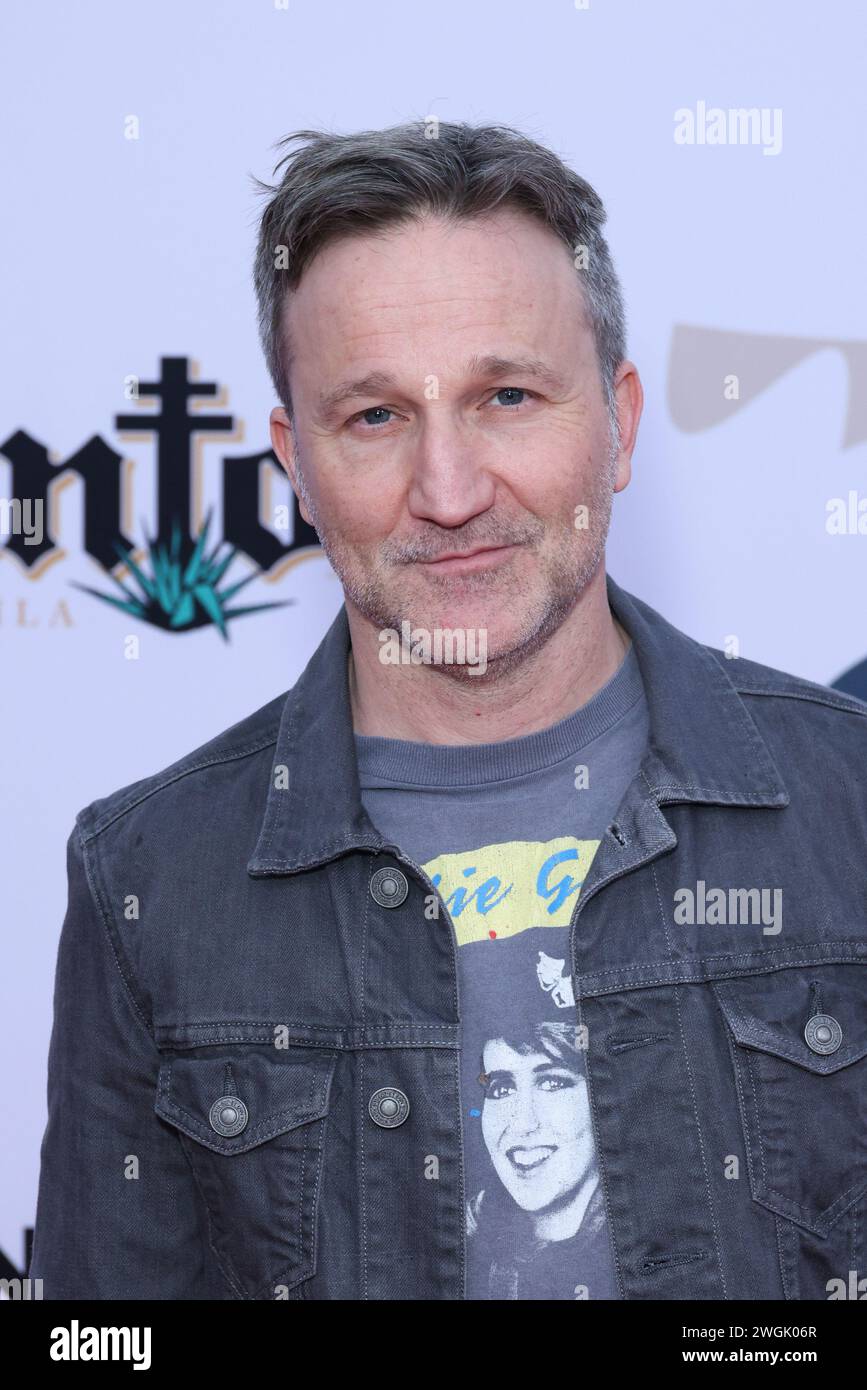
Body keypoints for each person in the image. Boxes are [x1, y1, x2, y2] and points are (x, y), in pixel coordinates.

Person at [30, 121, 867, 1301]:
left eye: (508, 395)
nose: (451, 492)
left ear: (619, 423)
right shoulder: (150, 881)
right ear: (296, 469)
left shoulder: (851, 808)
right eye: (374, 417)